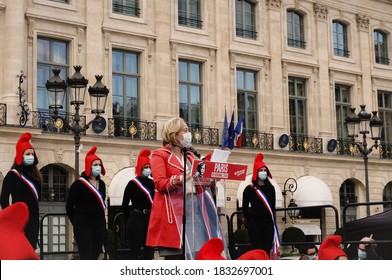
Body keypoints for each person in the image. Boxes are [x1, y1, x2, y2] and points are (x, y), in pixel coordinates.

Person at [146, 117, 195, 259]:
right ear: (174, 134)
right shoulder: (159, 155)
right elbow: (160, 184)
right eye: (185, 131)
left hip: (192, 214)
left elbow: (197, 184)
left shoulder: (190, 156)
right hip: (172, 215)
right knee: (175, 260)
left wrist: (209, 180)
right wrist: (180, 178)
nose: (189, 133)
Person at [0, 132, 42, 250]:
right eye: (27, 154)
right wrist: (10, 218)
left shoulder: (36, 176)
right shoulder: (12, 175)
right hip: (18, 219)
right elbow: (3, 199)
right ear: (20, 155)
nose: (31, 156)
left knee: (30, 250)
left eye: (32, 154)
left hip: (33, 219)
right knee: (19, 250)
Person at [66, 146, 107, 260]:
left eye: (99, 165)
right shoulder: (79, 184)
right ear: (89, 166)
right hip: (83, 225)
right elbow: (69, 206)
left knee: (95, 255)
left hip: (99, 224)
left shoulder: (102, 184)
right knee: (86, 256)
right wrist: (76, 222)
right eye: (95, 165)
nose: (98, 167)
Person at [242, 153, 279, 258]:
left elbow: (272, 207)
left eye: (265, 170)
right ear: (256, 172)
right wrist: (251, 221)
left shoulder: (271, 188)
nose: (263, 172)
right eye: (261, 170)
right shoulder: (249, 189)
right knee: (257, 251)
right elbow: (245, 208)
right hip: (255, 224)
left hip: (268, 224)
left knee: (267, 250)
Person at [121, 149, 155, 260]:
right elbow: (124, 204)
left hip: (149, 218)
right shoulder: (132, 184)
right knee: (134, 250)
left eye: (149, 167)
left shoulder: (152, 183)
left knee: (149, 250)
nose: (148, 169)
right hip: (136, 218)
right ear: (140, 168)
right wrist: (130, 217)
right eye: (145, 167)